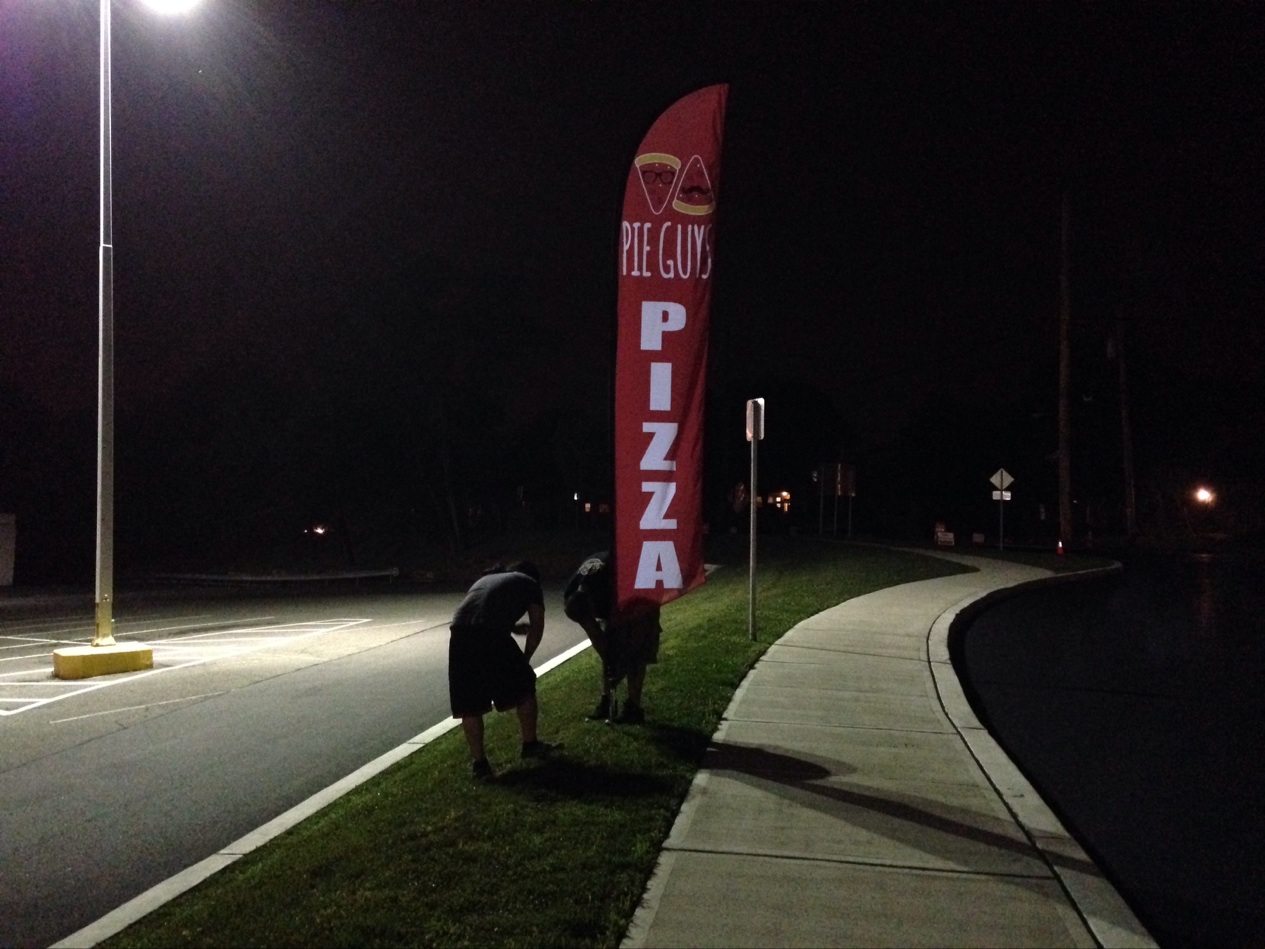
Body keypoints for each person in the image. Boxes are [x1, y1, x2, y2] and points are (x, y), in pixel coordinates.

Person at [448, 560, 556, 779]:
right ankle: (530, 745)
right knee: (525, 686)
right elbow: (537, 625)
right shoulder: (530, 583)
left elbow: (481, 609)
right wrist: (525, 658)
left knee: (470, 704)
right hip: (490, 633)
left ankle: (480, 765)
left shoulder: (486, 579)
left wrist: (512, 627)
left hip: (459, 634)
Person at [562, 551, 661, 724]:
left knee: (636, 654)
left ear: (593, 606)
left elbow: (636, 633)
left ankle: (633, 708)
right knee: (612, 654)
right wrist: (611, 662)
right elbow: (597, 637)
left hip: (640, 596)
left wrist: (619, 667)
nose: (591, 623)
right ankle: (607, 702)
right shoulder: (572, 594)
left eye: (591, 618)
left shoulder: (611, 589)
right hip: (616, 599)